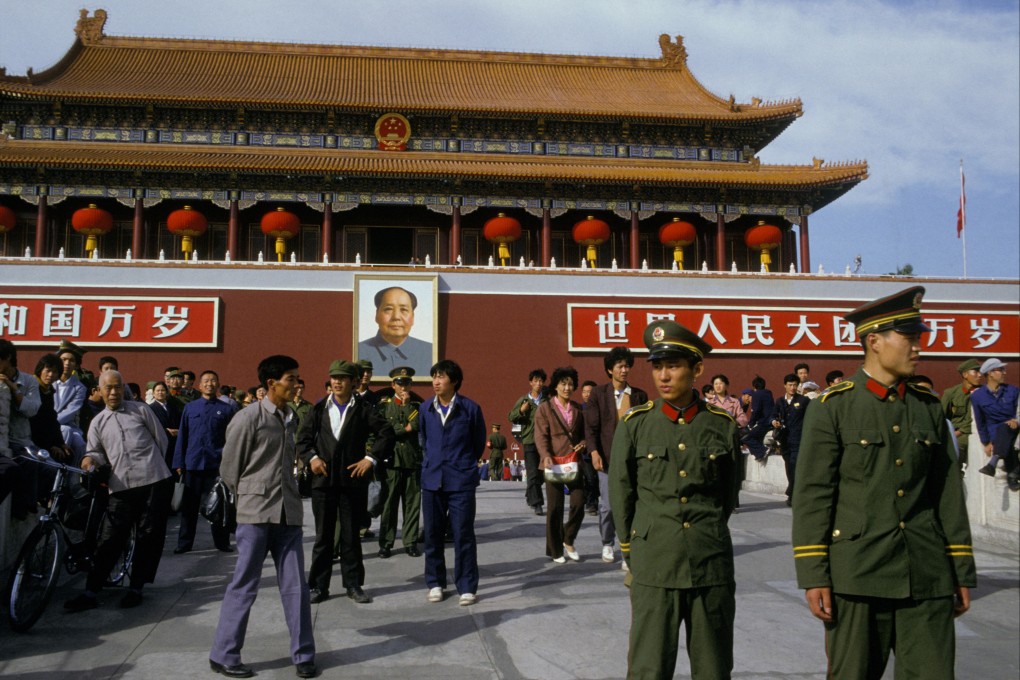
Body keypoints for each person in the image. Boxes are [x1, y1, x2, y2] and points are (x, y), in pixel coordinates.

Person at [792, 286, 976, 679]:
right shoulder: (833, 408)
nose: (917, 347)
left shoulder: (928, 408)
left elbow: (946, 494)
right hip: (857, 574)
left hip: (926, 573)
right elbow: (813, 496)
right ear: (874, 341)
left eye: (918, 338)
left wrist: (960, 569)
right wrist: (814, 575)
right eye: (909, 338)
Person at [609, 320, 739, 680]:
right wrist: (632, 550)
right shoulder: (635, 425)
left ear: (697, 369)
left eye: (674, 366)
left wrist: (706, 534)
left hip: (709, 565)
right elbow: (622, 494)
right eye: (657, 366)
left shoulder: (722, 426)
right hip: (654, 564)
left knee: (713, 668)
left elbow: (727, 496)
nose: (663, 376)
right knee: (648, 668)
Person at [209, 355, 317, 679]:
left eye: (297, 378)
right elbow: (229, 469)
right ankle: (224, 654)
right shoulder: (248, 418)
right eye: (291, 379)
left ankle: (304, 656)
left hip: (288, 514)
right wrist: (246, 501)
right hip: (254, 516)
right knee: (244, 586)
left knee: (296, 587)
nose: (296, 384)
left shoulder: (291, 418)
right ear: (271, 383)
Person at [64, 370, 173, 612]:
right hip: (120, 486)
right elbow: (94, 451)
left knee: (148, 536)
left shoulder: (141, 410)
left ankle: (136, 588)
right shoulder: (98, 422)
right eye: (108, 388)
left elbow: (161, 440)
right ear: (99, 391)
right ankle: (91, 591)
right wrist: (88, 462)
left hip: (154, 480)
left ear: (123, 388)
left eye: (117, 387)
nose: (114, 393)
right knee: (110, 537)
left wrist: (156, 466)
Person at [297, 359, 394, 604]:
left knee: (351, 536)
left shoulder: (363, 409)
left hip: (352, 481)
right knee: (323, 537)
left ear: (353, 381)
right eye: (334, 377)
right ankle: (318, 586)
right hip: (324, 481)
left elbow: (386, 432)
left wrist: (370, 459)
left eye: (343, 378)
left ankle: (353, 585)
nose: (338, 382)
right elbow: (302, 440)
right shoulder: (318, 409)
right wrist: (313, 459)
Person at [418, 359, 486, 605]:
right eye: (434, 376)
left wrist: (464, 465)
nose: (436, 381)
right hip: (432, 479)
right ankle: (435, 582)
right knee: (432, 534)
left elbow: (478, 442)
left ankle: (466, 585)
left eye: (441, 377)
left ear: (454, 381)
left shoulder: (470, 409)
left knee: (463, 534)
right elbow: (424, 441)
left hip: (461, 481)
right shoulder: (426, 409)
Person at [584, 347, 649, 564]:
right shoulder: (598, 394)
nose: (624, 370)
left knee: (632, 504)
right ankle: (607, 543)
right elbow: (591, 427)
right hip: (606, 459)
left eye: (627, 365)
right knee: (609, 505)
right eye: (620, 366)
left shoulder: (639, 395)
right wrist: (593, 452)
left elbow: (644, 429)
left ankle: (628, 547)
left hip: (633, 461)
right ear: (610, 369)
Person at [172, 370, 237, 554]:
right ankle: (184, 543)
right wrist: (179, 463)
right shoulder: (190, 408)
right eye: (206, 381)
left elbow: (232, 439)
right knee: (189, 508)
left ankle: (222, 542)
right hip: (193, 464)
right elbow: (182, 436)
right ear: (199, 386)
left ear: (218, 385)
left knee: (218, 506)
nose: (209, 383)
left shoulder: (226, 409)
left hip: (216, 466)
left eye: (213, 380)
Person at [535, 366, 586, 563]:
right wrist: (545, 455)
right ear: (556, 386)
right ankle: (555, 550)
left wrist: (584, 443)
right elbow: (541, 435)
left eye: (571, 384)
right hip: (553, 463)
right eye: (563, 384)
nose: (567, 387)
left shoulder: (578, 409)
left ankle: (568, 538)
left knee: (579, 503)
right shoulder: (545, 408)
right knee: (555, 507)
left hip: (573, 462)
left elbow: (583, 434)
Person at [377, 366, 423, 558]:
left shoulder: (418, 405)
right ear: (393, 385)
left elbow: (420, 423)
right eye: (400, 383)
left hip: (412, 460)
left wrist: (406, 407)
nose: (403, 386)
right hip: (392, 461)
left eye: (407, 383)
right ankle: (386, 543)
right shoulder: (384, 406)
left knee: (412, 504)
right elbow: (386, 430)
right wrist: (405, 428)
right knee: (389, 505)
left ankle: (410, 541)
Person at [0, 338, 42, 519]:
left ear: (8, 358)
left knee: (34, 463)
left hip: (20, 439)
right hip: (3, 439)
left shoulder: (29, 381)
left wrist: (13, 389)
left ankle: (25, 508)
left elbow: (32, 409)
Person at [357, 286, 433, 376]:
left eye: (404, 310)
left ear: (412, 317)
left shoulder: (430, 352)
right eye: (388, 309)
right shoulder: (359, 351)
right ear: (377, 315)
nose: (396, 317)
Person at [971, 358, 1020, 490]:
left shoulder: (1013, 391)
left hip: (1015, 428)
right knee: (1004, 431)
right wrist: (986, 442)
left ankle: (993, 463)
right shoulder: (977, 396)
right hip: (995, 432)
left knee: (1007, 428)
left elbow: (1019, 410)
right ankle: (1013, 473)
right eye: (1001, 370)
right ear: (990, 373)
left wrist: (1015, 420)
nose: (1004, 373)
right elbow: (980, 421)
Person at [509, 369, 547, 516]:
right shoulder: (524, 400)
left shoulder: (546, 401)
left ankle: (530, 493)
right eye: (535, 381)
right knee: (532, 473)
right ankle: (537, 503)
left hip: (544, 441)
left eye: (541, 381)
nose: (538, 383)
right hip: (530, 441)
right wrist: (521, 411)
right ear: (530, 383)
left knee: (542, 474)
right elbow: (511, 416)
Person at [772, 373, 811, 506]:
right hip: (784, 440)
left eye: (795, 385)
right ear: (785, 386)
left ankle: (793, 495)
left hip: (798, 439)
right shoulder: (779, 401)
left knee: (795, 465)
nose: (793, 388)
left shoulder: (804, 401)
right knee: (789, 466)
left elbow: (811, 418)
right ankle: (792, 491)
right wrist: (774, 422)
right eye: (790, 385)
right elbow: (773, 415)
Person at [940, 358, 982, 468]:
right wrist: (953, 434)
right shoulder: (951, 394)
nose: (979, 375)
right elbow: (942, 418)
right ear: (965, 374)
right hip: (959, 437)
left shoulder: (984, 393)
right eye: (975, 372)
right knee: (953, 455)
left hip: (980, 434)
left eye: (980, 371)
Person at [148, 381, 182, 471]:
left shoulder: (173, 407)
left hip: (174, 444)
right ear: (153, 393)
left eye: (163, 390)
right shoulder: (149, 408)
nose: (160, 392)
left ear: (167, 393)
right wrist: (166, 431)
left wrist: (179, 431)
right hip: (160, 444)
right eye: (158, 390)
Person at [743, 375, 774, 462]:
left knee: (746, 437)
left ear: (755, 386)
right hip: (771, 421)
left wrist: (750, 424)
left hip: (763, 422)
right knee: (757, 438)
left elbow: (756, 411)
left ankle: (762, 451)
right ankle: (759, 455)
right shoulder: (768, 393)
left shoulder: (757, 394)